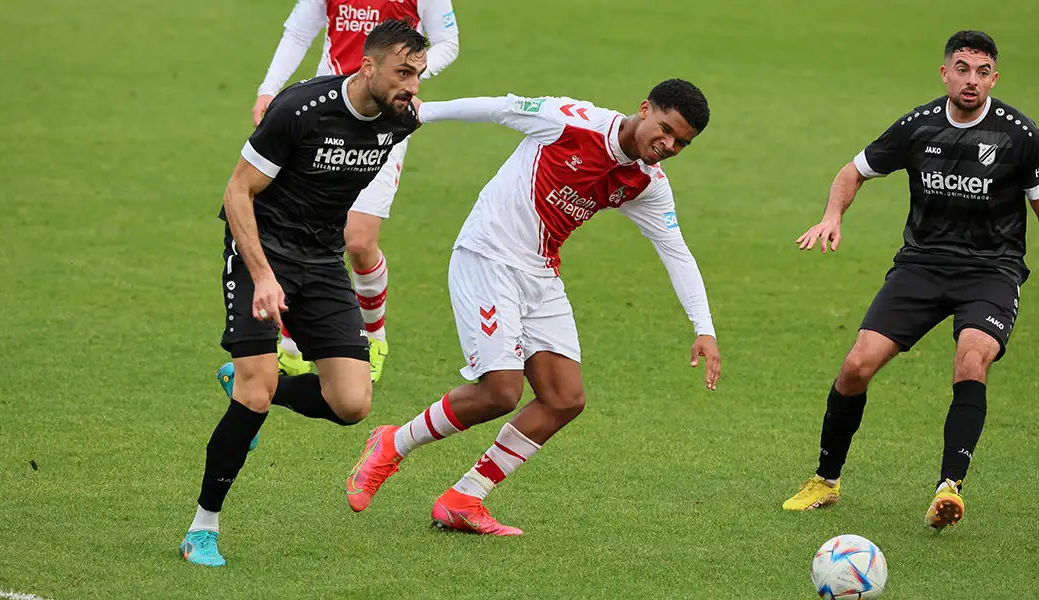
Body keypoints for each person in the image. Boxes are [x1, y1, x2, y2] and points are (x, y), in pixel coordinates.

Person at [344, 80, 722, 535]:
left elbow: (675, 249)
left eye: (682, 143)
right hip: (488, 258)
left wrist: (704, 327)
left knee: (565, 399)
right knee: (501, 391)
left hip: (541, 274)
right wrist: (424, 113)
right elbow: (500, 108)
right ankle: (391, 443)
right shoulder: (570, 121)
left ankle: (464, 498)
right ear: (644, 109)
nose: (669, 146)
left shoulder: (646, 183)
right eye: (665, 130)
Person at [180, 20, 426, 567]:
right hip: (260, 250)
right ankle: (203, 528)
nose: (413, 86)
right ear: (367, 65)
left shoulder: (400, 121)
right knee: (256, 390)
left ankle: (254, 386)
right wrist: (264, 275)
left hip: (320, 259)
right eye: (403, 72)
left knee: (352, 404)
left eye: (419, 74)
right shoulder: (299, 110)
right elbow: (237, 190)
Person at [783, 30, 1039, 529]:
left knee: (972, 357)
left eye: (982, 72)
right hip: (921, 265)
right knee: (856, 366)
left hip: (992, 270)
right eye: (962, 69)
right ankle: (825, 481)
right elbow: (852, 171)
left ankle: (949, 488)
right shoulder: (919, 126)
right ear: (945, 72)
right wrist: (832, 215)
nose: (971, 80)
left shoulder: (1019, 135)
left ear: (994, 78)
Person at [254, 0, 461, 382]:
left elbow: (448, 41)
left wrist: (403, 77)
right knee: (301, 225)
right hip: (326, 112)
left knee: (359, 242)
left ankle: (374, 337)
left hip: (383, 116)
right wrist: (269, 89)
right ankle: (292, 344)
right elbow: (300, 31)